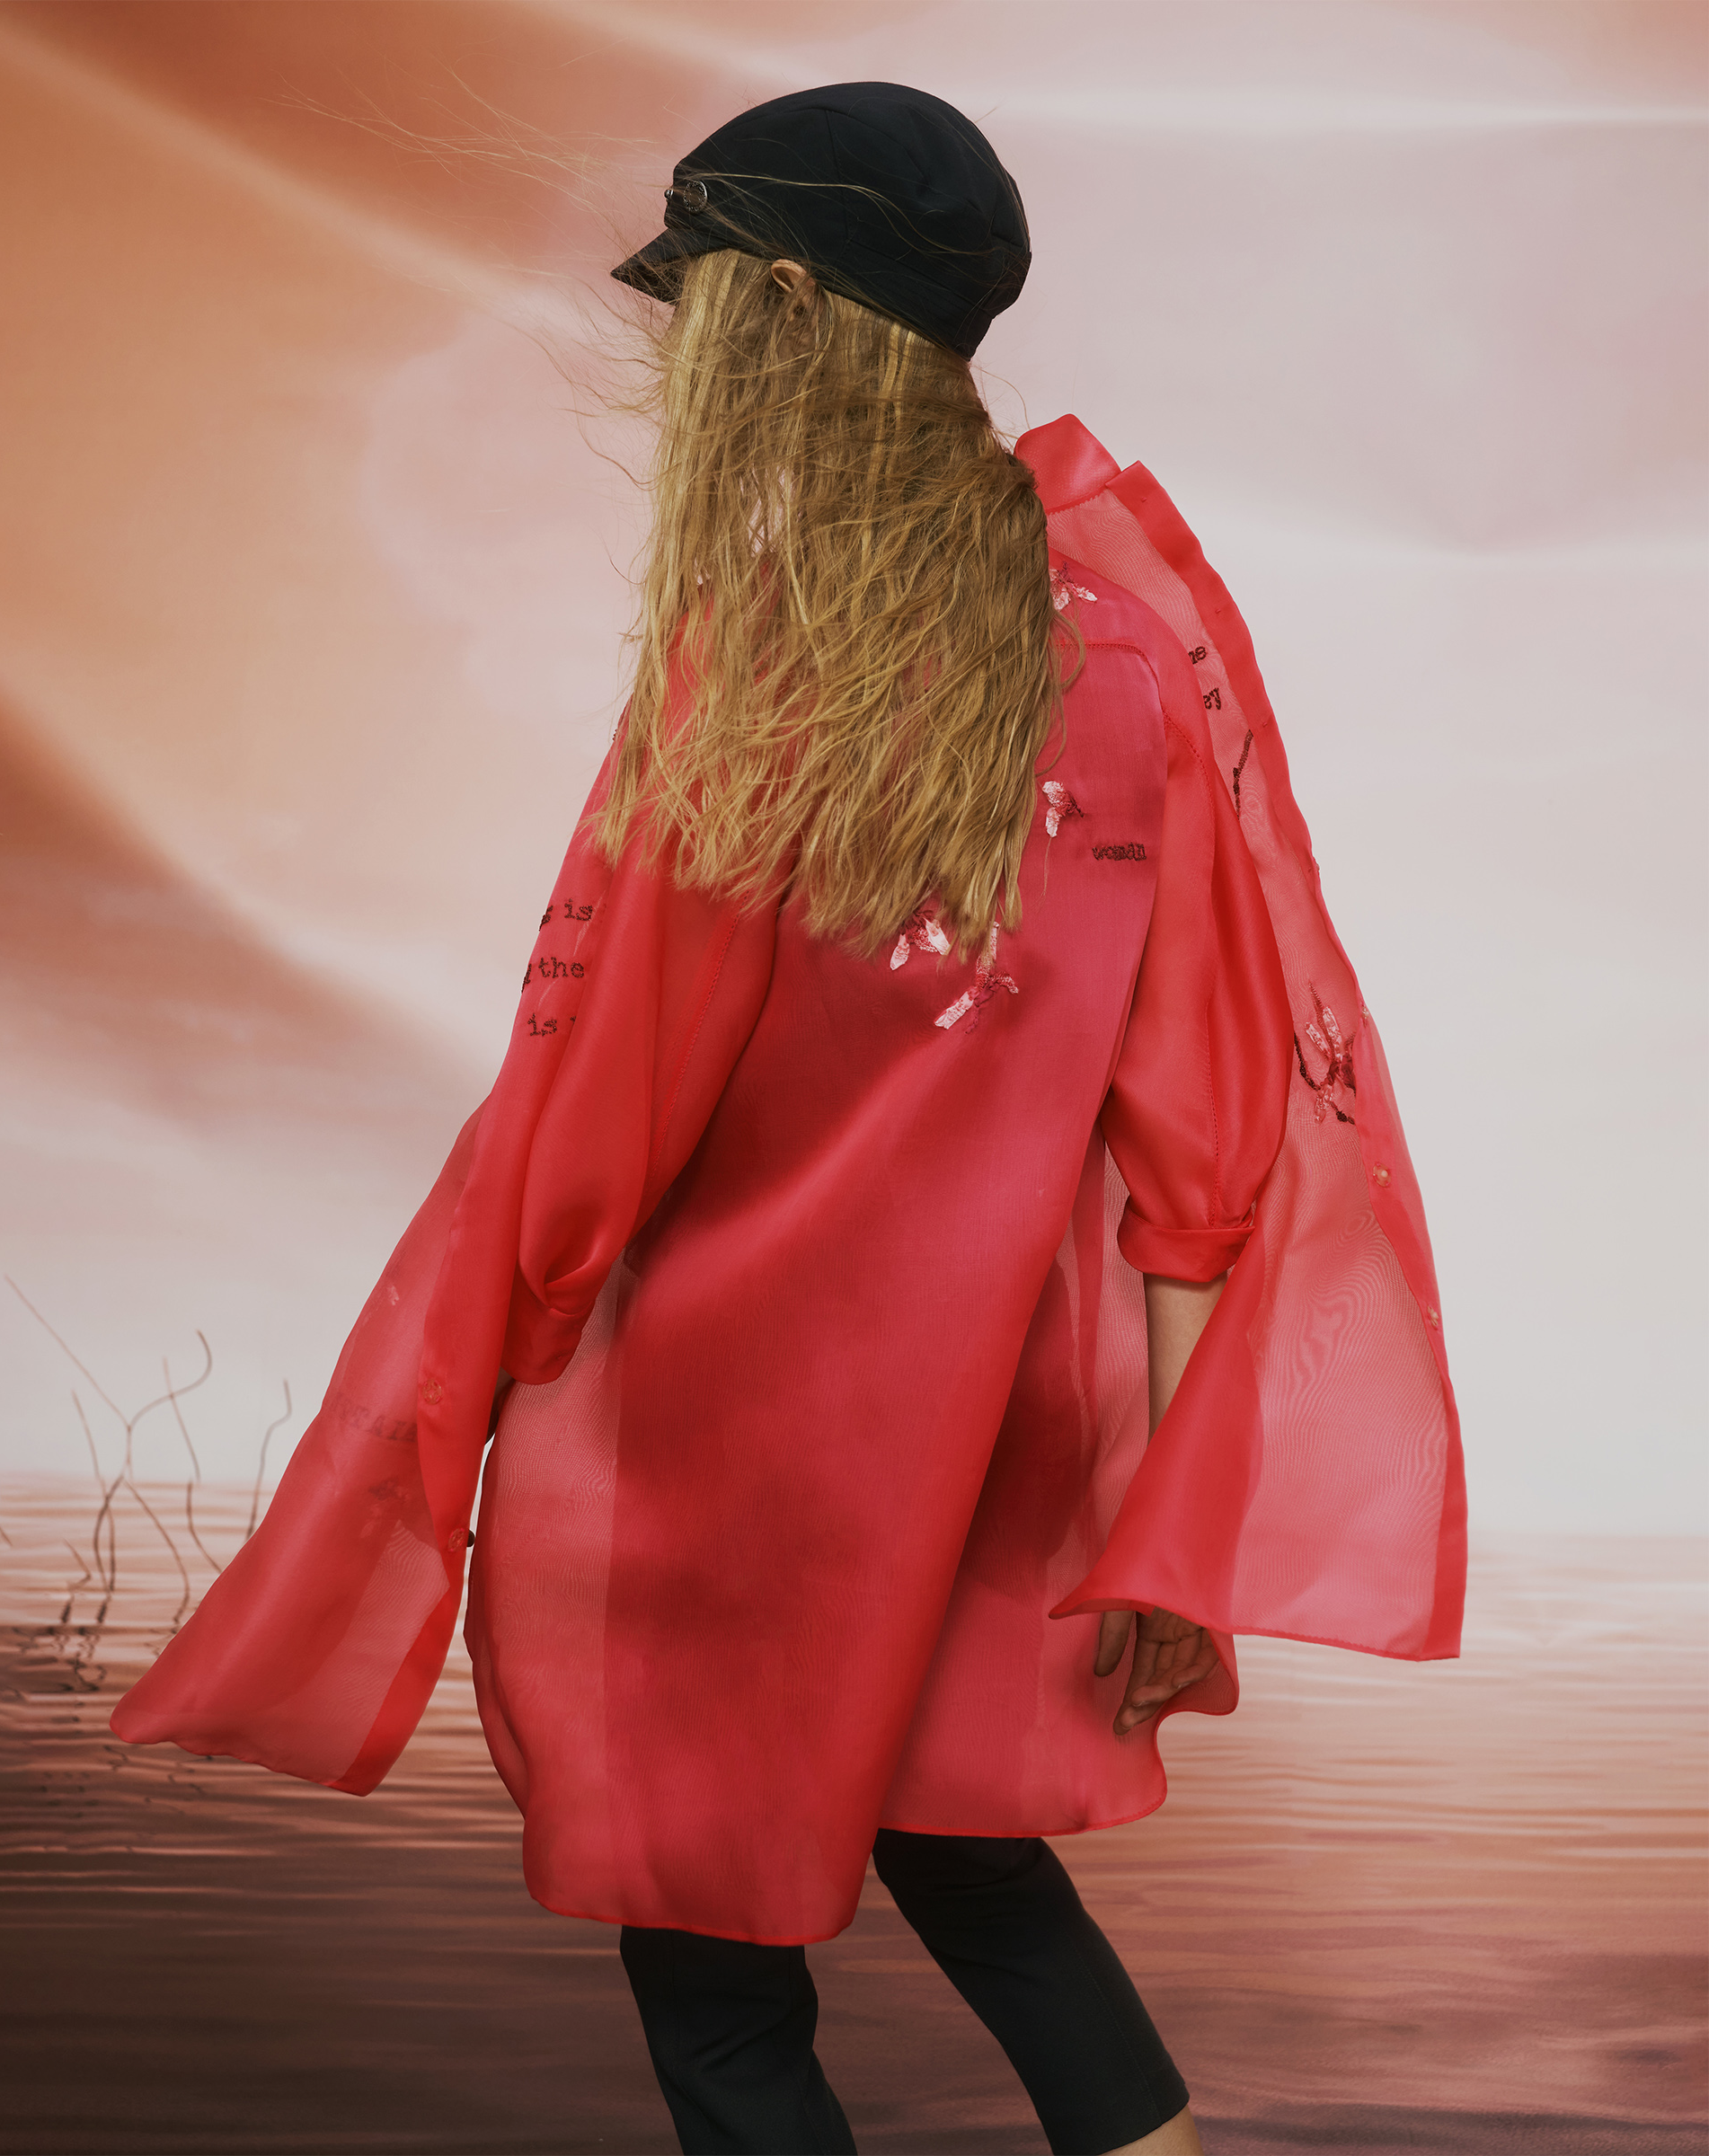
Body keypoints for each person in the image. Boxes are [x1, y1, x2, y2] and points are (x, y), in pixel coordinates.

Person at [111, 83, 1465, 2156]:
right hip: (994, 1436)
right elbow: (1204, 1152)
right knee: (979, 1863)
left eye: (709, 308)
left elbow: (597, 1117)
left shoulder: (755, 667)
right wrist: (1164, 1520)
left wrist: (475, 1386)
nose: (680, 357)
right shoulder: (1125, 664)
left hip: (716, 1444)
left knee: (716, 1977)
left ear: (796, 318)